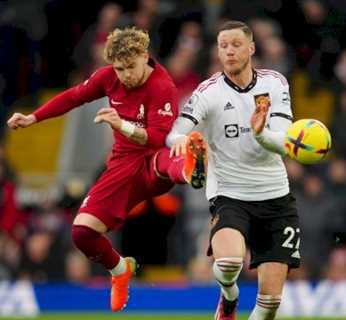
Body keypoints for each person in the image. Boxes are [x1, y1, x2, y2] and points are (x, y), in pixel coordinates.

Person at [6, 27, 206, 312]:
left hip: (155, 159)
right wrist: (34, 117)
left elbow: (158, 137)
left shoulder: (163, 85)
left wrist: (121, 125)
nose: (125, 75)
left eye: (130, 67)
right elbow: (74, 96)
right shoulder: (108, 77)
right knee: (82, 234)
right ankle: (120, 269)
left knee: (167, 157)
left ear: (144, 56)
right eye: (119, 68)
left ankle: (190, 170)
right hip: (122, 165)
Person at [167, 20, 300, 320]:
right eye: (223, 46)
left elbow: (285, 141)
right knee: (228, 264)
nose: (229, 51)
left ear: (251, 48)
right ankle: (229, 297)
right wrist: (181, 143)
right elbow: (176, 132)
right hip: (230, 193)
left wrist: (261, 133)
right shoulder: (208, 92)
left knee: (269, 304)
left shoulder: (275, 83)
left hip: (275, 195)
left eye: (236, 44)